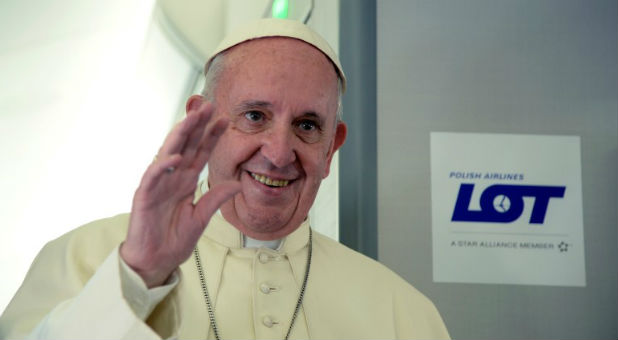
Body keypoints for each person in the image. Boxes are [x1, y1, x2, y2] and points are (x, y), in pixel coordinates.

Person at [0, 18, 450, 339]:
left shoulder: (403, 314)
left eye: (308, 126)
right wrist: (138, 276)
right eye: (255, 116)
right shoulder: (82, 257)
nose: (278, 153)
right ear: (200, 121)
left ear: (332, 147)